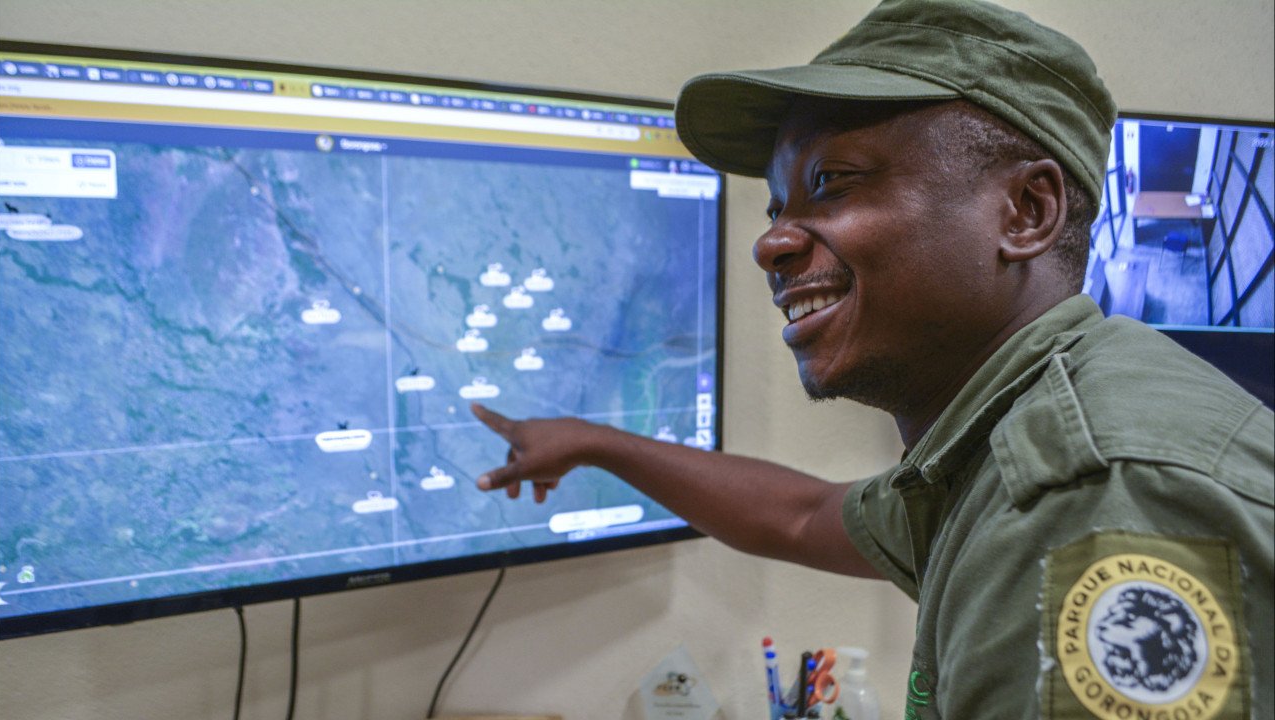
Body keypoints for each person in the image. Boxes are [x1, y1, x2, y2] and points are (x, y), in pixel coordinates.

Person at [472, 1, 1274, 717]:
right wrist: (594, 441)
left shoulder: (1096, 495)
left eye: (834, 183)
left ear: (1026, 211)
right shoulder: (1006, 434)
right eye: (778, 205)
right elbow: (801, 517)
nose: (772, 242)